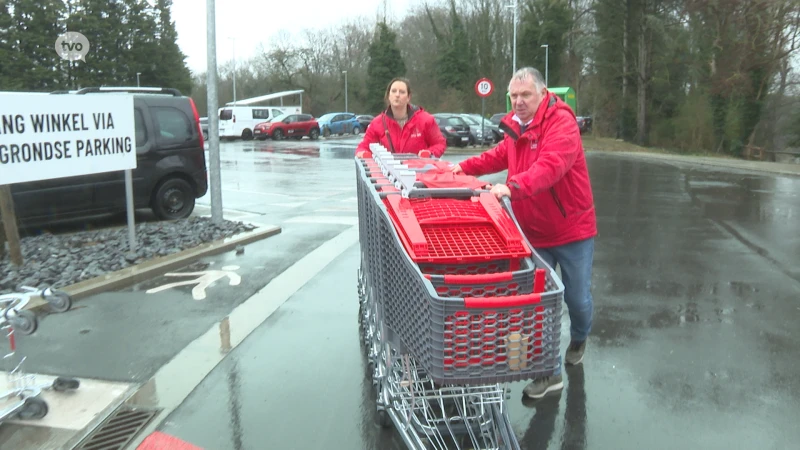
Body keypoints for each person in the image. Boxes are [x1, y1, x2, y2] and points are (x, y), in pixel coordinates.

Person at [451, 67, 597, 400]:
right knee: (539, 306)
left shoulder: (562, 124)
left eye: (525, 95)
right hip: (532, 233)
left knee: (576, 298)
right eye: (514, 96)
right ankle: (550, 374)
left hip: (572, 229)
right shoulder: (516, 127)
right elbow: (501, 154)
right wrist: (464, 166)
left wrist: (512, 186)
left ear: (542, 94)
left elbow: (551, 166)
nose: (518, 102)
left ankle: (580, 336)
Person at [356, 77, 446, 158]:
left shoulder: (426, 120)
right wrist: (363, 153)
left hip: (420, 173)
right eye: (394, 91)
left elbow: (439, 144)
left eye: (402, 92)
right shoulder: (377, 123)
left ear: (408, 97)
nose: (397, 95)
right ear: (388, 95)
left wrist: (429, 153)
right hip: (389, 175)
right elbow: (363, 147)